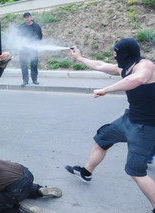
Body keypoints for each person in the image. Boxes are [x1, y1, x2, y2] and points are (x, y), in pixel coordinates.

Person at [65, 38, 155, 213]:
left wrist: (106, 89)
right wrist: (80, 58)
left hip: (146, 126)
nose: (114, 56)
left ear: (125, 53)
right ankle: (86, 172)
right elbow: (99, 65)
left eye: (116, 53)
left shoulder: (145, 65)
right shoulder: (125, 67)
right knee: (102, 138)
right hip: (129, 119)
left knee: (136, 171)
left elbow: (138, 79)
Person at [18, 12, 42, 86]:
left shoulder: (36, 26)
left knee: (34, 64)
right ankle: (25, 81)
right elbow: (18, 37)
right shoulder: (21, 27)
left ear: (31, 17)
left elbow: (40, 36)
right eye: (25, 17)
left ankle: (34, 80)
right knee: (23, 64)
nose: (27, 18)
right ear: (24, 19)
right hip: (23, 49)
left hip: (33, 48)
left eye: (28, 17)